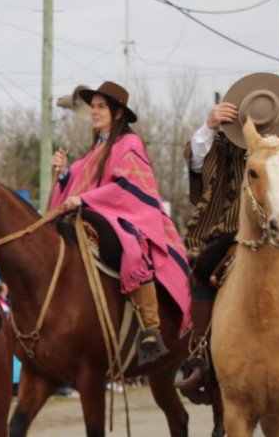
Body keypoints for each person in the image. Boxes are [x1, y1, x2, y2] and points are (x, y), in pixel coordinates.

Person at [49, 81, 190, 365]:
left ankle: (151, 328)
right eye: (94, 107)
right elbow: (77, 181)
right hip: (93, 212)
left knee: (131, 247)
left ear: (117, 113)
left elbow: (128, 187)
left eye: (101, 107)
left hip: (127, 215)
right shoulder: (93, 151)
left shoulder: (130, 143)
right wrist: (64, 175)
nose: (95, 112)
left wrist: (85, 200)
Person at [177, 72, 279, 399]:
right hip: (227, 231)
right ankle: (200, 356)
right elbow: (197, 167)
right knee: (202, 270)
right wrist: (209, 126)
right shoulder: (227, 143)